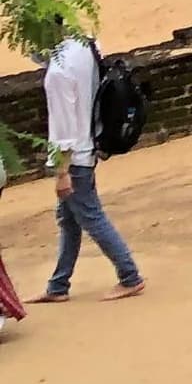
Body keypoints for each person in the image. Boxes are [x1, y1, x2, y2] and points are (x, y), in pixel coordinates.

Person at [36, 26, 146, 304]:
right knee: (69, 219)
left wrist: (61, 173)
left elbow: (63, 129)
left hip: (75, 158)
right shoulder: (85, 43)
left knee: (90, 216)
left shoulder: (58, 75)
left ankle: (130, 276)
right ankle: (58, 285)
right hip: (88, 146)